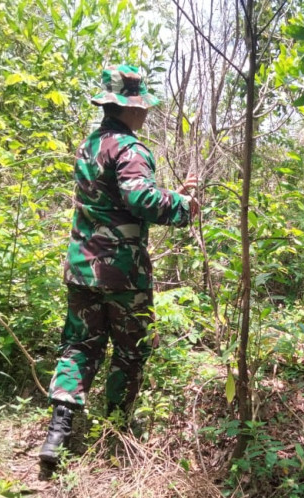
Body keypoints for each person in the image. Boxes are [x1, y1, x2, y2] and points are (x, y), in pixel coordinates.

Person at [39, 65, 200, 466]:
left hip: (81, 268)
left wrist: (168, 193)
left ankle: (58, 432)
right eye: (142, 106)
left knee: (79, 345)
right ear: (128, 107)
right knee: (130, 352)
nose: (145, 113)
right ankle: (114, 433)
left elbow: (113, 198)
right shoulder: (131, 148)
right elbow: (139, 200)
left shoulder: (90, 146)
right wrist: (184, 206)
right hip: (122, 275)